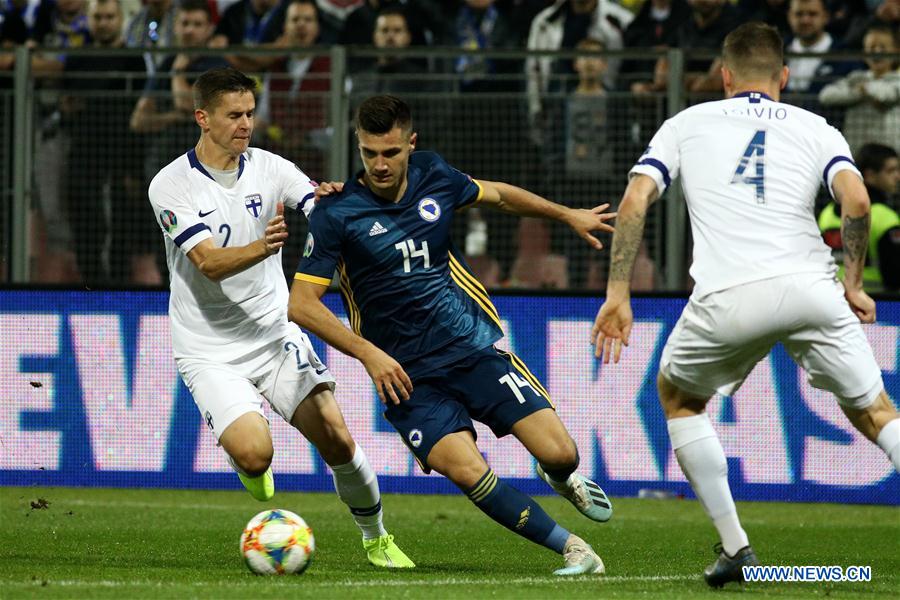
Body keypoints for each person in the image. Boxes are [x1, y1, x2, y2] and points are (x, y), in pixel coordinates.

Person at [592, 22, 900, 588]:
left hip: (729, 295)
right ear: (783, 76)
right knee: (878, 412)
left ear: (724, 77)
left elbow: (636, 198)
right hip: (812, 288)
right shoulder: (816, 127)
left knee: (679, 398)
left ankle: (736, 547)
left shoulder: (686, 123)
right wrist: (853, 284)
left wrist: (618, 293)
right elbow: (856, 198)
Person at [289, 94, 617, 576]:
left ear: (411, 144)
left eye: (391, 152)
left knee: (561, 451)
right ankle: (574, 549)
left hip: (469, 347)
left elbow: (500, 195)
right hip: (407, 376)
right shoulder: (336, 213)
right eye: (369, 153)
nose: (380, 165)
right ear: (358, 147)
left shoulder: (435, 175)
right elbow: (301, 303)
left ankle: (559, 474)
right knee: (466, 470)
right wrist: (370, 356)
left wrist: (567, 214)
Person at [147, 67, 414, 569]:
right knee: (255, 455)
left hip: (272, 333)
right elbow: (208, 262)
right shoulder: (170, 185)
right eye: (233, 115)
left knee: (336, 435)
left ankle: (377, 537)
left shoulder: (271, 167)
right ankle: (248, 461)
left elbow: (315, 205)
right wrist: (263, 246)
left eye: (250, 113)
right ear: (203, 118)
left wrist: (334, 205)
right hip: (208, 349)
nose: (245, 124)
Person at [819, 142, 900, 291]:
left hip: (834, 298)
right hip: (879, 303)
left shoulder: (826, 214)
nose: (897, 176)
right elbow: (895, 276)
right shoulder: (885, 218)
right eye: (891, 171)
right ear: (869, 175)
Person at [818, 24, 900, 153]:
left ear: (895, 51)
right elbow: (826, 95)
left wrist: (865, 88)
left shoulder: (897, 80)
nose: (877, 52)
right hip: (856, 153)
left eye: (882, 47)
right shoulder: (856, 77)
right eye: (872, 47)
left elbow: (887, 95)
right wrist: (858, 93)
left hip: (889, 155)